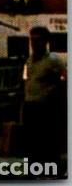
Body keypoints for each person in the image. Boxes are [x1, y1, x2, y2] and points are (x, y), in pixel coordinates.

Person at [22, 26, 67, 165]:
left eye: (38, 40)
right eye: (32, 40)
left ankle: (50, 168)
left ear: (46, 41)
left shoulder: (53, 60)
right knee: (30, 141)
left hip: (45, 106)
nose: (34, 44)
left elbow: (64, 78)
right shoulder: (29, 60)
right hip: (30, 105)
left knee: (46, 140)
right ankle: (33, 168)